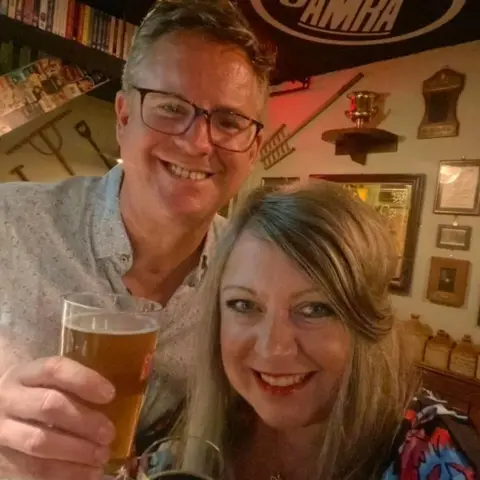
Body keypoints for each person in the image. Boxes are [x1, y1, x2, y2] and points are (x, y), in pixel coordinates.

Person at [0, 1, 274, 479]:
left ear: (252, 150)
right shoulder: (9, 222)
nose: (198, 142)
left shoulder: (257, 271)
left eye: (229, 121)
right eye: (171, 108)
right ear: (123, 117)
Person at [166, 181, 479, 480]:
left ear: (366, 322)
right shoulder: (188, 432)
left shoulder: (435, 454)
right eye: (245, 305)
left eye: (315, 309)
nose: (274, 348)